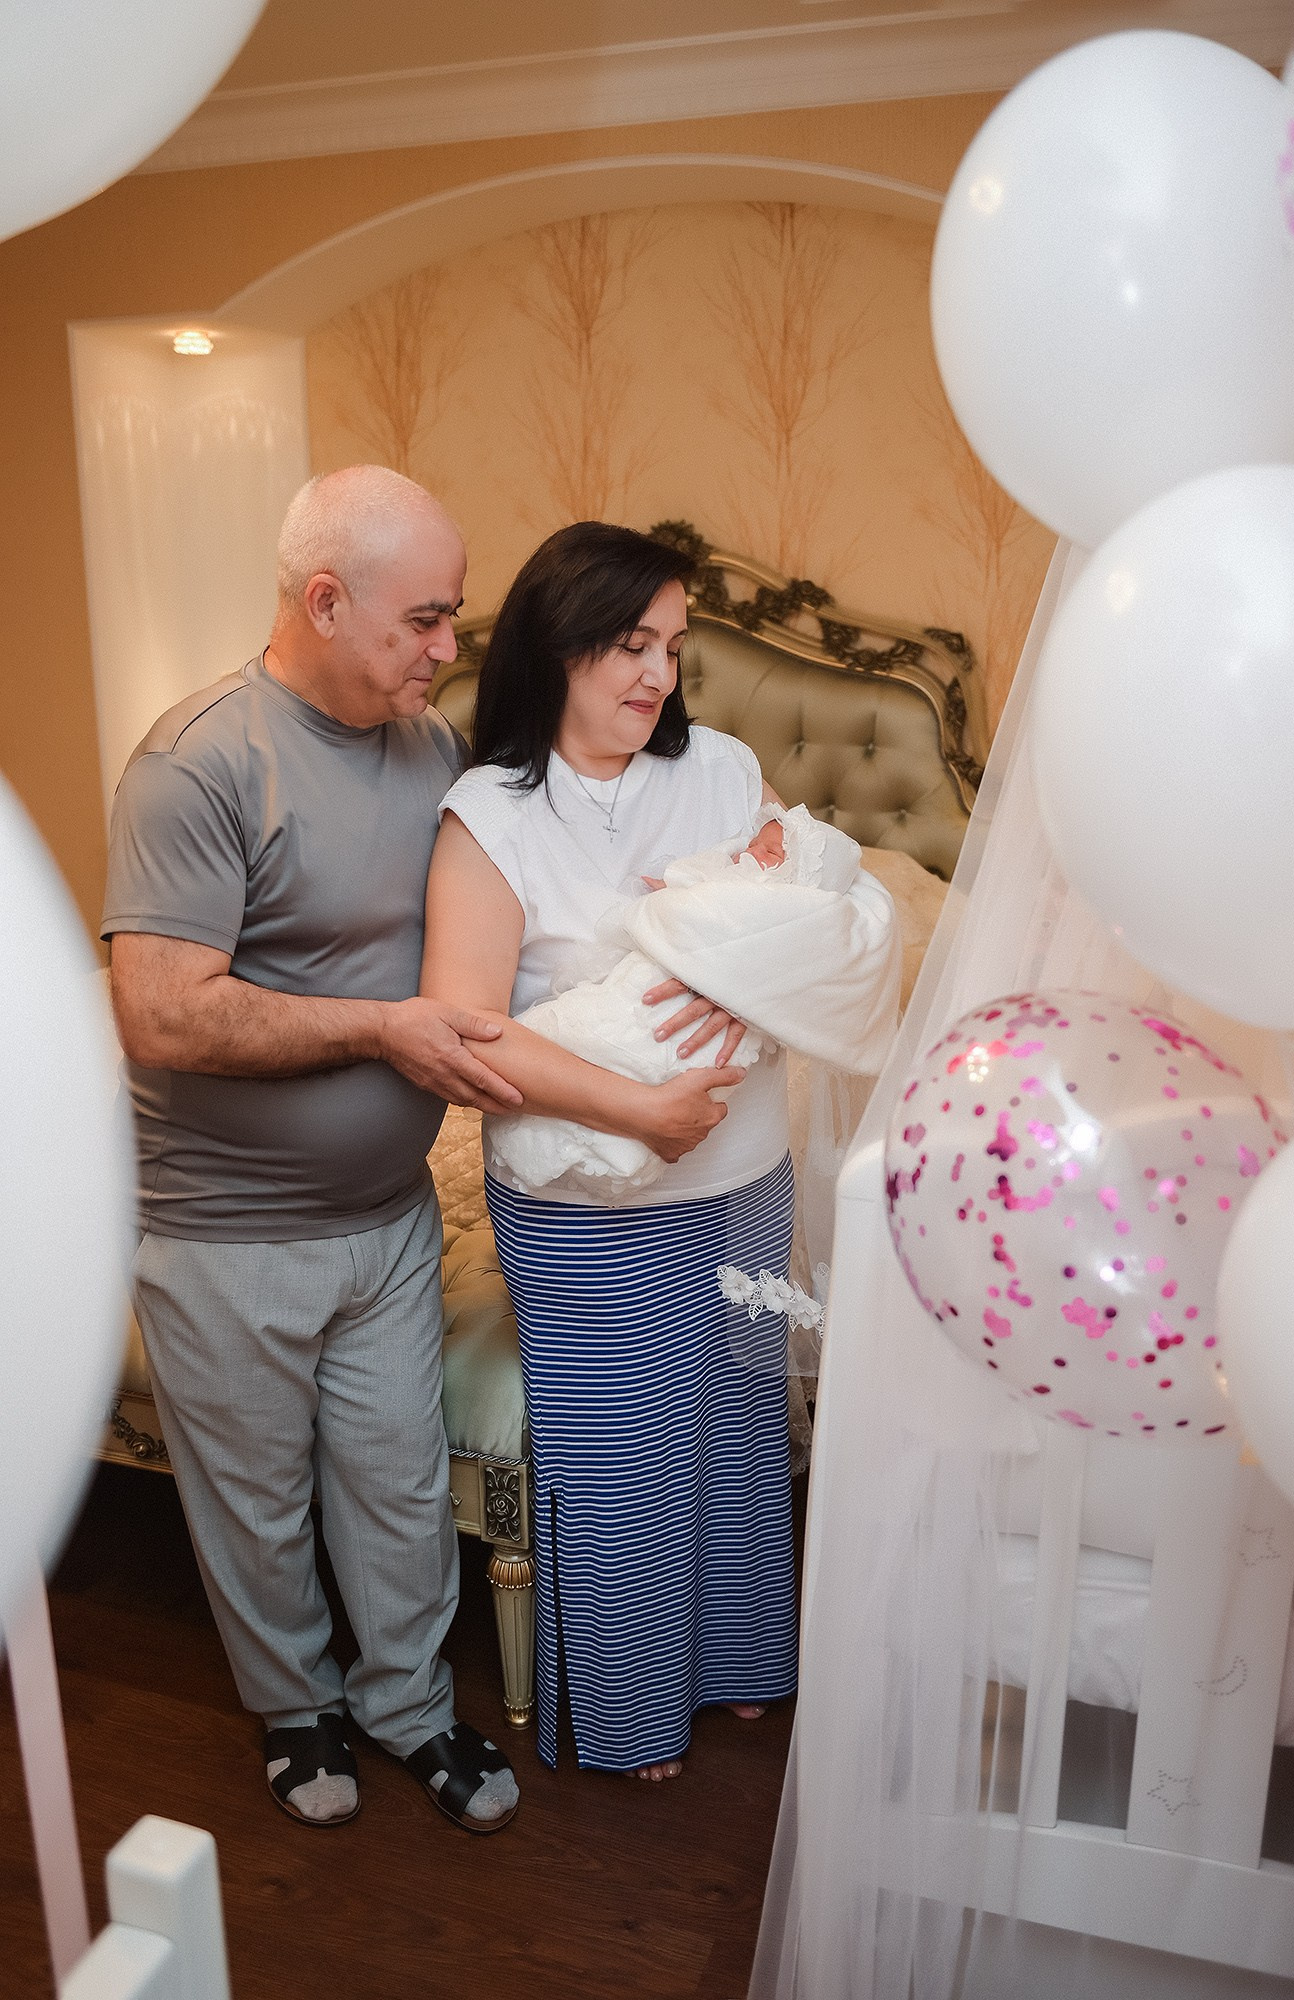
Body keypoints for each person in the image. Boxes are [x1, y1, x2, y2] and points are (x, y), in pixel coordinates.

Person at [103, 465, 521, 1833]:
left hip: (388, 1216)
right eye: (424, 620)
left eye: (454, 617)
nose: (446, 649)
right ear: (325, 601)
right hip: (226, 1231)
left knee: (399, 1486)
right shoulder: (198, 762)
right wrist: (383, 1031)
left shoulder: (434, 750)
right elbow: (163, 1013)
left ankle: (409, 1705)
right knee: (258, 1505)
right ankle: (295, 1707)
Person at [420, 520, 800, 1781]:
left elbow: (801, 919)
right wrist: (639, 1110)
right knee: (625, 1455)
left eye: (674, 647)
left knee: (737, 1421)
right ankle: (635, 1710)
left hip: (742, 1172)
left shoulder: (724, 771)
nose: (657, 674)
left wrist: (763, 960)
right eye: (632, 643)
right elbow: (467, 1028)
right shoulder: (489, 814)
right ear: (558, 643)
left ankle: (742, 1658)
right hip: (586, 1196)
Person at [485, 802, 900, 1198]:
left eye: (771, 852)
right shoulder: (490, 811)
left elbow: (824, 932)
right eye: (753, 843)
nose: (751, 853)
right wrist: (681, 892)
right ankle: (568, 1087)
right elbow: (690, 909)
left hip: (748, 1172)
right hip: (647, 981)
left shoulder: (788, 895)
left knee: (670, 1057)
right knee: (596, 1027)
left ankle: (610, 1143)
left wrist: (751, 980)